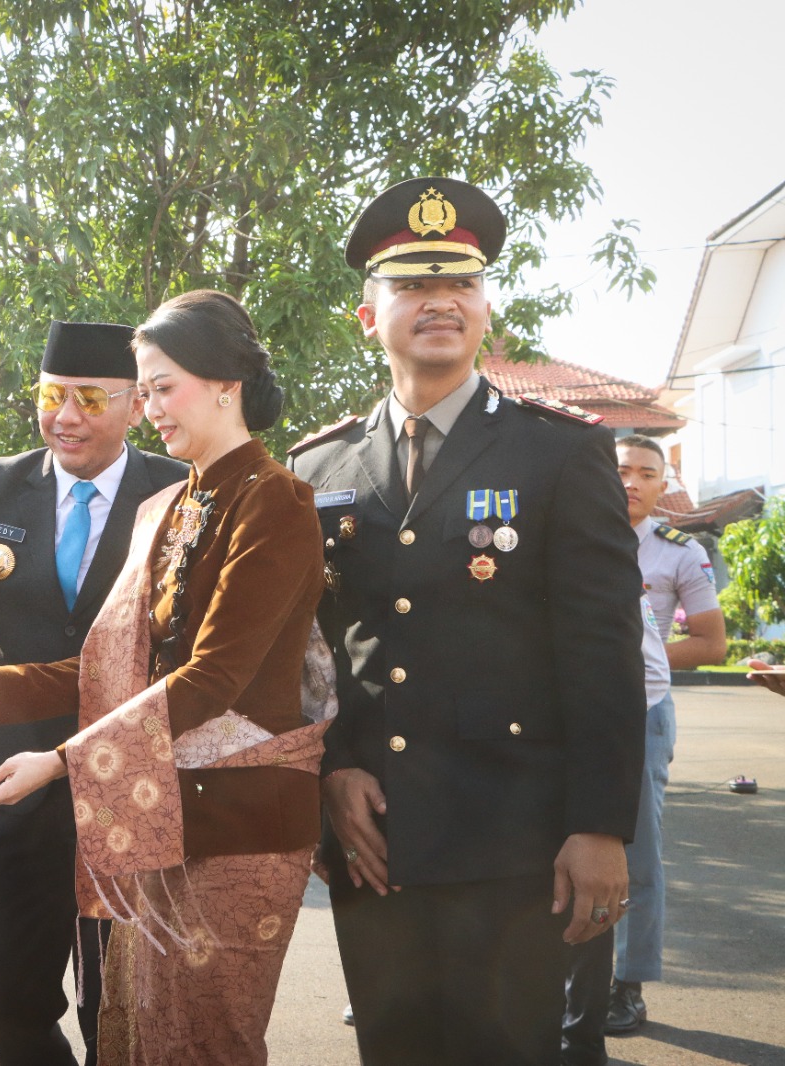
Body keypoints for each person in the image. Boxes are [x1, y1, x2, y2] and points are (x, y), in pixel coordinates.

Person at [288, 176, 647, 1066]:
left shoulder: (560, 449)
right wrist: (331, 774)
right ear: (368, 316)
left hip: (514, 836)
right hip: (377, 836)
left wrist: (601, 826)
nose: (440, 301)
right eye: (413, 284)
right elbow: (313, 651)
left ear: (487, 309)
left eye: (462, 282)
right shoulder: (319, 465)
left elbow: (602, 650)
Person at [0, 291, 333, 1066]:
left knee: (204, 1042)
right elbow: (118, 662)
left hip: (236, 828)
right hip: (156, 814)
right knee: (134, 1035)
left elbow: (213, 677)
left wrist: (61, 761)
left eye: (162, 388)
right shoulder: (173, 505)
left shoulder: (273, 502)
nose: (150, 410)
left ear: (226, 384)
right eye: (144, 391)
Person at [0, 321, 186, 1066]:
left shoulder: (178, 488)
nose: (65, 416)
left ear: (135, 405)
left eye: (89, 398)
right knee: (7, 991)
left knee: (118, 1002)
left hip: (130, 775)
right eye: (52, 395)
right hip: (15, 773)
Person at [562, 433, 727, 1054]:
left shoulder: (678, 552)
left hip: (644, 710)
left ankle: (626, 984)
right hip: (566, 710)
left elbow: (711, 643)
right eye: (622, 469)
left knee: (635, 851)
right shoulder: (567, 532)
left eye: (646, 474)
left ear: (663, 485)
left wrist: (623, 663)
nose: (631, 482)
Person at [562, 591, 673, 1065]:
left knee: (620, 863)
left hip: (629, 713)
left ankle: (623, 990)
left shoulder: (602, 561)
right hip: (551, 716)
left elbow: (641, 670)